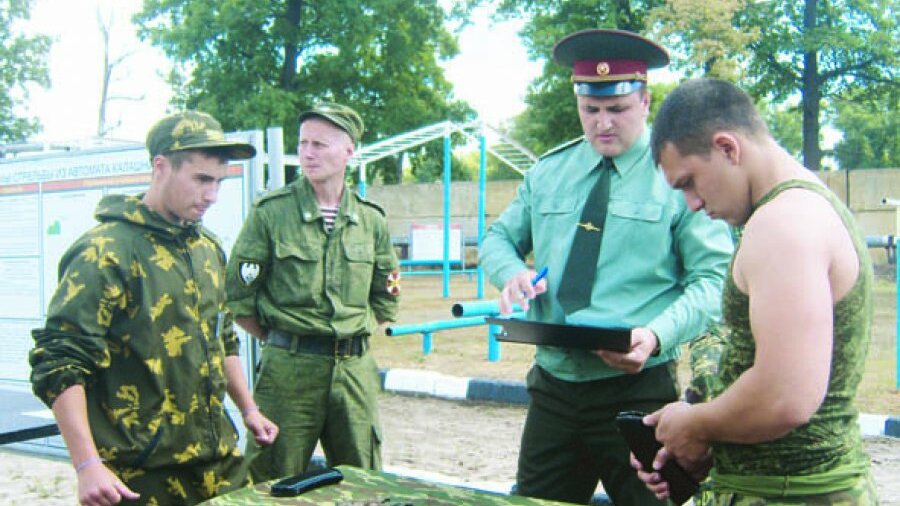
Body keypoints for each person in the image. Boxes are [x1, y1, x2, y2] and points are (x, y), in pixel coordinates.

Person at [478, 29, 734, 505]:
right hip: (554, 388)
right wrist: (510, 271)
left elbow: (712, 281)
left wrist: (656, 335)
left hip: (637, 395)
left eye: (616, 109)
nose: (603, 124)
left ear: (644, 100)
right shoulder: (548, 173)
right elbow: (498, 239)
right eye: (590, 110)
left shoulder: (679, 176)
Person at [634, 78, 878, 504]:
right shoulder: (799, 209)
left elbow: (785, 396)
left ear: (728, 148)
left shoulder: (783, 224)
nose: (691, 203)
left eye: (689, 181)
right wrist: (699, 446)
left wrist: (695, 423)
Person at [29, 111, 279, 506]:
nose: (212, 195)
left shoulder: (206, 248)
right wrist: (86, 464)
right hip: (140, 475)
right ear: (161, 167)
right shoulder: (105, 251)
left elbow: (223, 339)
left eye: (218, 182)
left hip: (218, 464)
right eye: (201, 179)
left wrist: (249, 410)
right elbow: (60, 363)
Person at [225, 102, 400, 483]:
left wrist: (351, 333)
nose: (307, 153)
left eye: (319, 144)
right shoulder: (271, 213)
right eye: (303, 143)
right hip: (289, 369)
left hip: (354, 371)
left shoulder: (371, 220)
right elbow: (240, 300)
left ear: (348, 151)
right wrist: (282, 338)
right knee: (272, 478)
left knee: (363, 480)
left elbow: (386, 298)